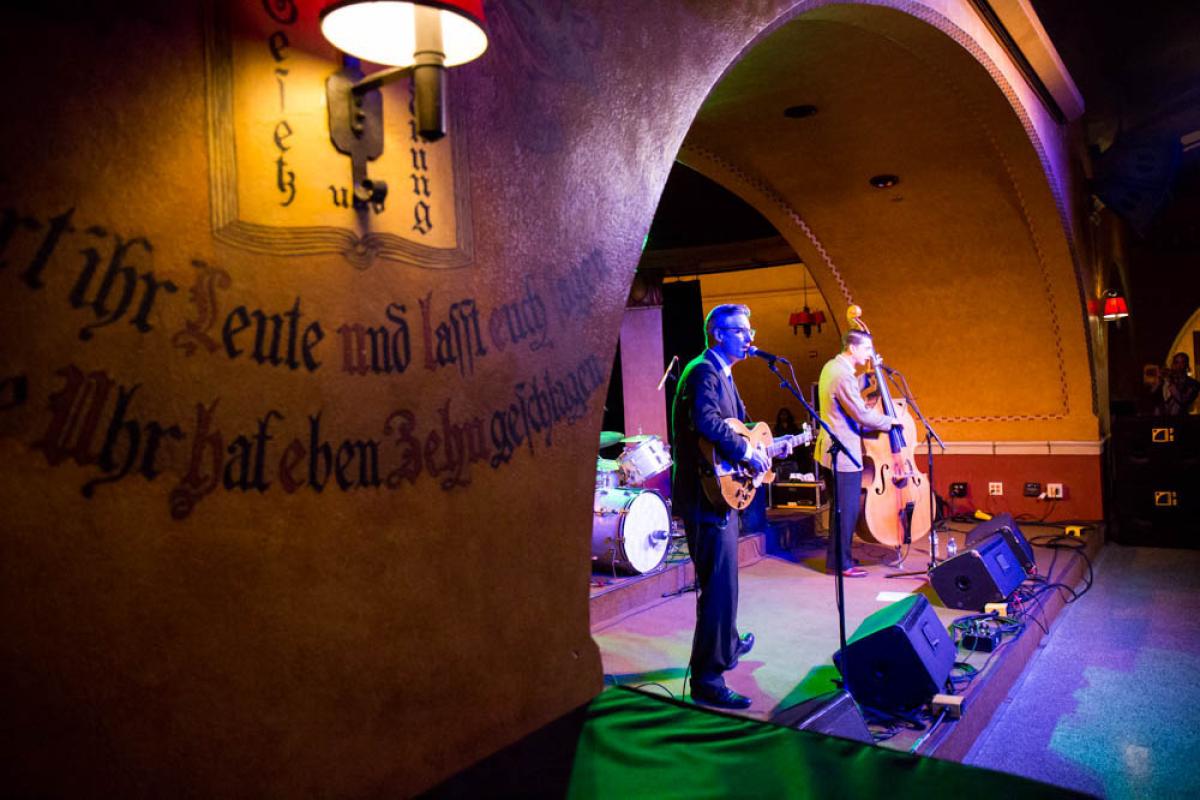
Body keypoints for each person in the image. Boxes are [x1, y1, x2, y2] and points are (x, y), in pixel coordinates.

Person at [671, 303, 789, 710]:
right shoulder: (703, 371)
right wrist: (745, 451)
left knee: (726, 583)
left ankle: (728, 642)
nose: (750, 337)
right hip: (703, 497)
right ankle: (707, 679)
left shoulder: (722, 372)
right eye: (741, 330)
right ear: (719, 334)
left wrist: (764, 445)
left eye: (750, 329)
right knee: (717, 588)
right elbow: (707, 422)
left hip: (717, 494)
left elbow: (738, 424)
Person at [813, 330, 899, 578]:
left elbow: (846, 390)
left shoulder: (833, 367)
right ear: (852, 348)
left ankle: (838, 558)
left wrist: (868, 378)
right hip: (843, 454)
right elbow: (861, 414)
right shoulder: (842, 374)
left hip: (829, 450)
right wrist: (890, 422)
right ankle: (841, 564)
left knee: (840, 510)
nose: (869, 354)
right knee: (847, 511)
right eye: (866, 349)